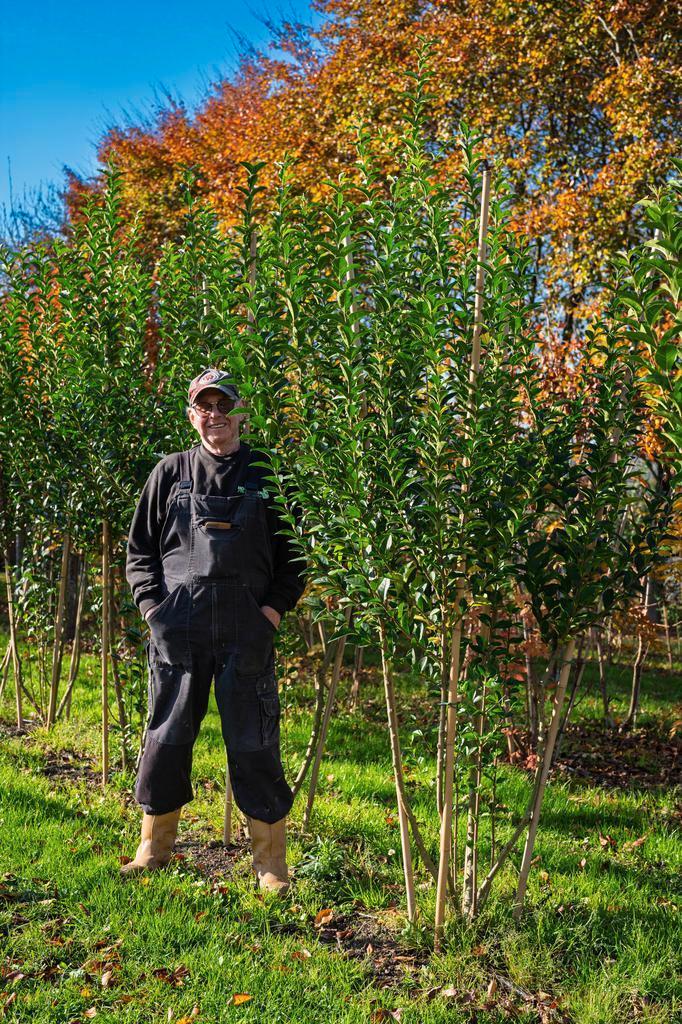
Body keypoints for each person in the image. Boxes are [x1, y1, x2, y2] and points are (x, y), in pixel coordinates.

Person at [122, 368, 306, 892]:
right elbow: (140, 554)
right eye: (205, 406)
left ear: (242, 412)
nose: (216, 415)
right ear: (191, 414)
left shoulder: (268, 475)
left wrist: (270, 613)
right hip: (179, 632)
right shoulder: (169, 472)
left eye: (225, 405)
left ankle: (271, 865)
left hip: (247, 633)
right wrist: (155, 613)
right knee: (168, 736)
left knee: (254, 741)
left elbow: (294, 556)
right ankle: (153, 849)